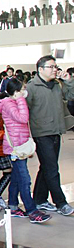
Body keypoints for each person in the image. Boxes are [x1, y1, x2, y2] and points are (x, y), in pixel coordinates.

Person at [0, 81, 51, 224]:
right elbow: (23, 118)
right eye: (22, 90)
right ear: (15, 92)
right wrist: (20, 99)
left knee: (16, 177)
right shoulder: (9, 103)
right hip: (15, 147)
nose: (24, 92)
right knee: (24, 179)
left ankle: (13, 206)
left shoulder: (13, 102)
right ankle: (32, 210)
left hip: (20, 144)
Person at [26, 55, 74, 216]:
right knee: (52, 168)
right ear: (40, 69)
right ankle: (61, 203)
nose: (55, 69)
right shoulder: (32, 87)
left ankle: (39, 199)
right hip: (41, 133)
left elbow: (71, 96)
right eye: (51, 67)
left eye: (55, 66)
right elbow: (25, 111)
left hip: (56, 130)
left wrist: (68, 81)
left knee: (47, 167)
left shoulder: (57, 85)